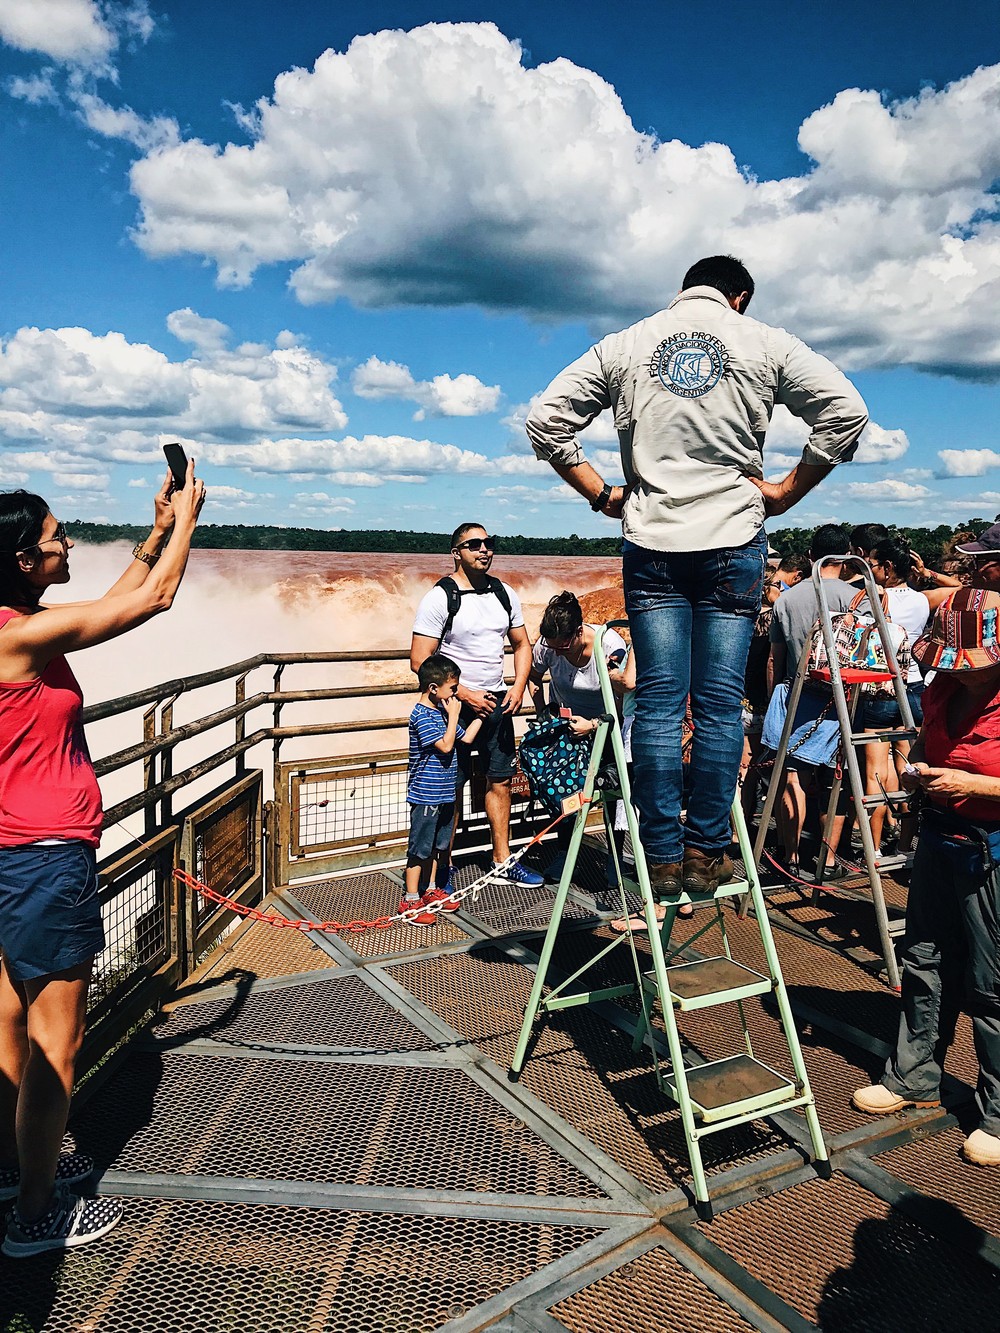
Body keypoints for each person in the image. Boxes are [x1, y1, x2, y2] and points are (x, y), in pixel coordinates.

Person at [526, 254, 867, 897]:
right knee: (716, 703)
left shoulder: (626, 345)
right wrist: (788, 490)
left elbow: (545, 423)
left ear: (685, 292)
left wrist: (602, 494)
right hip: (735, 537)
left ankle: (658, 854)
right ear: (739, 298)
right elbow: (846, 411)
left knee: (657, 700)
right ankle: (709, 849)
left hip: (651, 539)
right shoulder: (764, 342)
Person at [0, 466, 206, 1256]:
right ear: (22, 557)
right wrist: (189, 517)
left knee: (10, 1025)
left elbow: (108, 601)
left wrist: (153, 533)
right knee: (57, 1046)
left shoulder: (19, 622)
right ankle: (36, 1216)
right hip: (46, 858)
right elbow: (150, 602)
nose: (67, 542)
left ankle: (17, 1173)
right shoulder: (19, 636)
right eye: (55, 537)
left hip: (11, 856)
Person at [853, 588, 1000, 1167]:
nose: (959, 675)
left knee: (992, 983)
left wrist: (977, 788)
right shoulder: (942, 687)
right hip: (942, 837)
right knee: (924, 959)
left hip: (991, 847)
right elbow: (925, 744)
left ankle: (997, 1112)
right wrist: (919, 776)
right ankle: (913, 1076)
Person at [410, 524, 543, 889]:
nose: (484, 550)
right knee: (448, 787)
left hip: (498, 701)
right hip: (455, 705)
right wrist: (464, 694)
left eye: (488, 543)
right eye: (474, 545)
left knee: (499, 781)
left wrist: (517, 686)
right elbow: (420, 660)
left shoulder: (504, 593)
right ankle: (443, 869)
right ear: (456, 552)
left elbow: (522, 645)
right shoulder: (440, 597)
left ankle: (502, 860)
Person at [763, 524, 857, 880]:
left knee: (792, 778)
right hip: (844, 697)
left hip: (797, 693)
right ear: (846, 555)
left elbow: (776, 658)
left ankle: (790, 858)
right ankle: (829, 861)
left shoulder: (787, 599)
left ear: (812, 555)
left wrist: (774, 697)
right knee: (836, 780)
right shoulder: (858, 596)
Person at [526, 591, 631, 898]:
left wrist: (596, 725)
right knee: (561, 789)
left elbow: (625, 699)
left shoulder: (609, 644)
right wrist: (543, 712)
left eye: (563, 648)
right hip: (568, 724)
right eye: (552, 649)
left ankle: (614, 857)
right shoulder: (548, 646)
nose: (557, 654)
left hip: (607, 723)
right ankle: (563, 852)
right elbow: (533, 677)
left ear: (579, 631)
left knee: (612, 794)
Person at [860, 541, 937, 859]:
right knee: (911, 769)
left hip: (882, 688)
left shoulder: (878, 597)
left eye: (874, 564)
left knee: (876, 773)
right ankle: (905, 846)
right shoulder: (922, 599)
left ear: (888, 567)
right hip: (915, 687)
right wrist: (927, 572)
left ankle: (874, 848)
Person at [402, 654, 483, 925]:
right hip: (426, 794)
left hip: (446, 792)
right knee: (420, 847)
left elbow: (466, 738)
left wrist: (485, 715)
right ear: (433, 689)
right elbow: (447, 745)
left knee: (438, 845)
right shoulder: (421, 715)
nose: (455, 695)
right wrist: (453, 716)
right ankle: (410, 899)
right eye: (453, 689)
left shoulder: (441, 712)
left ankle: (431, 889)